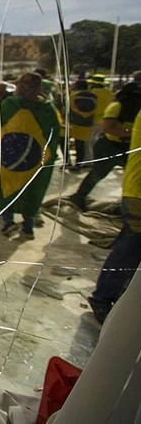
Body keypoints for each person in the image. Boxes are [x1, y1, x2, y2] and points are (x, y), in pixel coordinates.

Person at [0, 72, 60, 240]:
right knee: (30, 189)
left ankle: (8, 222)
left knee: (6, 186)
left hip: (9, 157)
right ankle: (28, 227)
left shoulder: (10, 105)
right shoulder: (47, 109)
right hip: (33, 161)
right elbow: (54, 134)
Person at [87, 106, 141, 324]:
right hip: (138, 193)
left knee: (130, 246)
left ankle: (114, 296)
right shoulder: (117, 105)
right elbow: (107, 125)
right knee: (130, 248)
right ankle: (103, 298)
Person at [69, 82, 141, 211]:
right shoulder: (117, 107)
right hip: (109, 146)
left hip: (128, 147)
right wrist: (132, 134)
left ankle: (128, 204)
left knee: (133, 177)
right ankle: (79, 197)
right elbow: (107, 128)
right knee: (98, 173)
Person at [67, 79, 96, 170]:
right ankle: (79, 164)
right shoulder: (95, 96)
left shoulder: (72, 96)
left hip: (73, 123)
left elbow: (68, 109)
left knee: (64, 142)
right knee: (80, 144)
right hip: (87, 124)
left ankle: (68, 162)